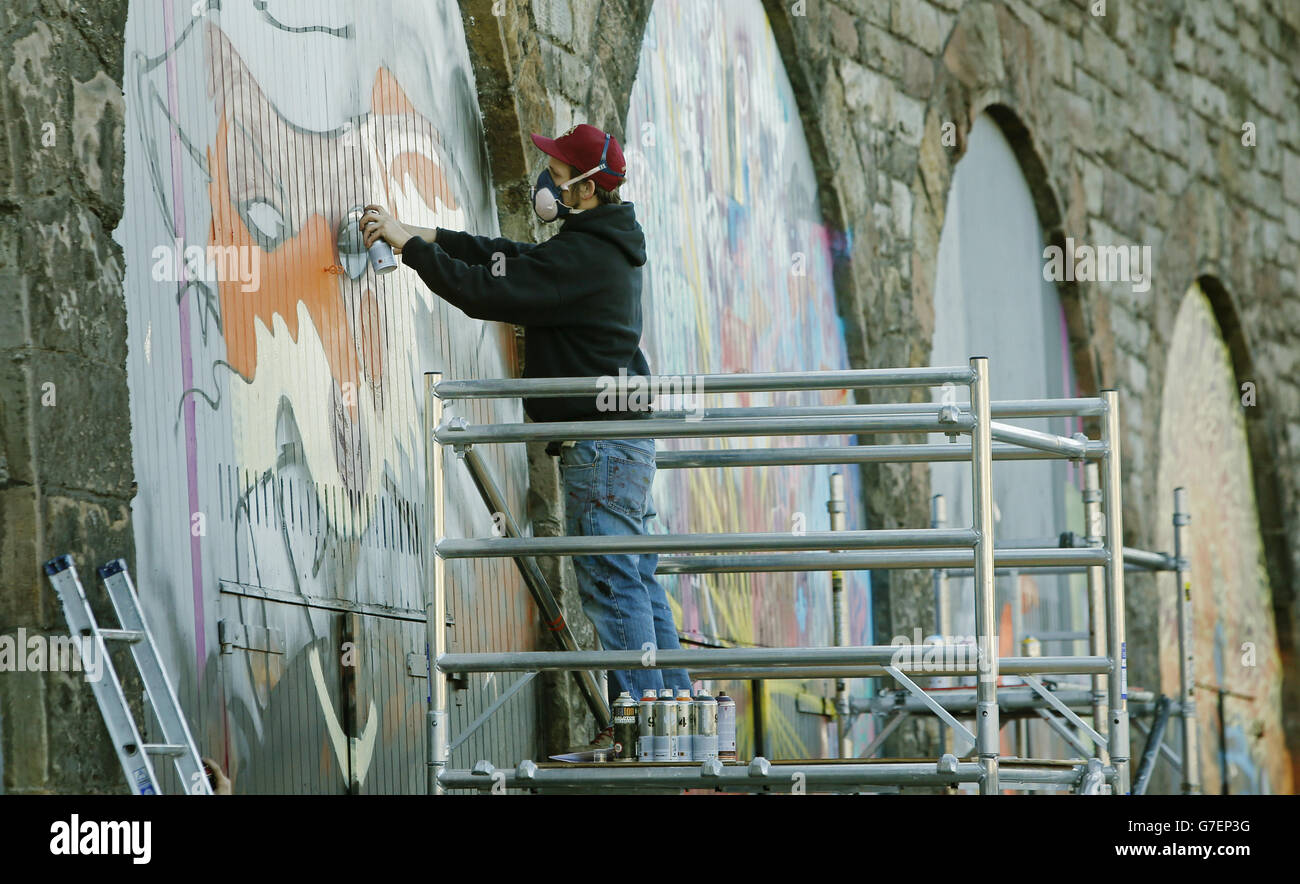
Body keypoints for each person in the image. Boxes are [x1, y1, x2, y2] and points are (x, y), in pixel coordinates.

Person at [362, 123, 692, 752]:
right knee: (638, 580)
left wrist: (410, 252)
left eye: (560, 175)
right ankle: (674, 726)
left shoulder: (586, 257)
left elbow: (490, 289)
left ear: (588, 189)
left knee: (611, 582)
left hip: (598, 446)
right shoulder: (600, 247)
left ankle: (642, 734)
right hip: (622, 442)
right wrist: (426, 233)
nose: (548, 183)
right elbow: (505, 257)